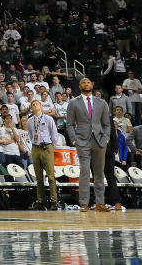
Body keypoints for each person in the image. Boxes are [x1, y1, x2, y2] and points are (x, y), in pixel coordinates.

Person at [66, 79, 111, 212]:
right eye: (84, 82)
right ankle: (84, 203)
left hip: (99, 141)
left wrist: (106, 139)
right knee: (85, 171)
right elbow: (69, 124)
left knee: (99, 173)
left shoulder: (101, 102)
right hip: (82, 141)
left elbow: (106, 124)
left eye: (89, 82)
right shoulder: (73, 102)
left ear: (92, 85)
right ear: (80, 86)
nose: (86, 84)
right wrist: (74, 139)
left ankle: (100, 203)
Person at [26, 100, 60, 210]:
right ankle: (40, 201)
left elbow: (54, 134)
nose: (35, 105)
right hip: (36, 148)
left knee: (50, 176)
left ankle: (54, 201)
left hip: (47, 147)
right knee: (39, 178)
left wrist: (51, 146)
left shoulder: (48, 119)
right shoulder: (30, 121)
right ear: (31, 108)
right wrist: (35, 144)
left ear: (41, 106)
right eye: (33, 104)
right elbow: (31, 135)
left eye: (36, 104)